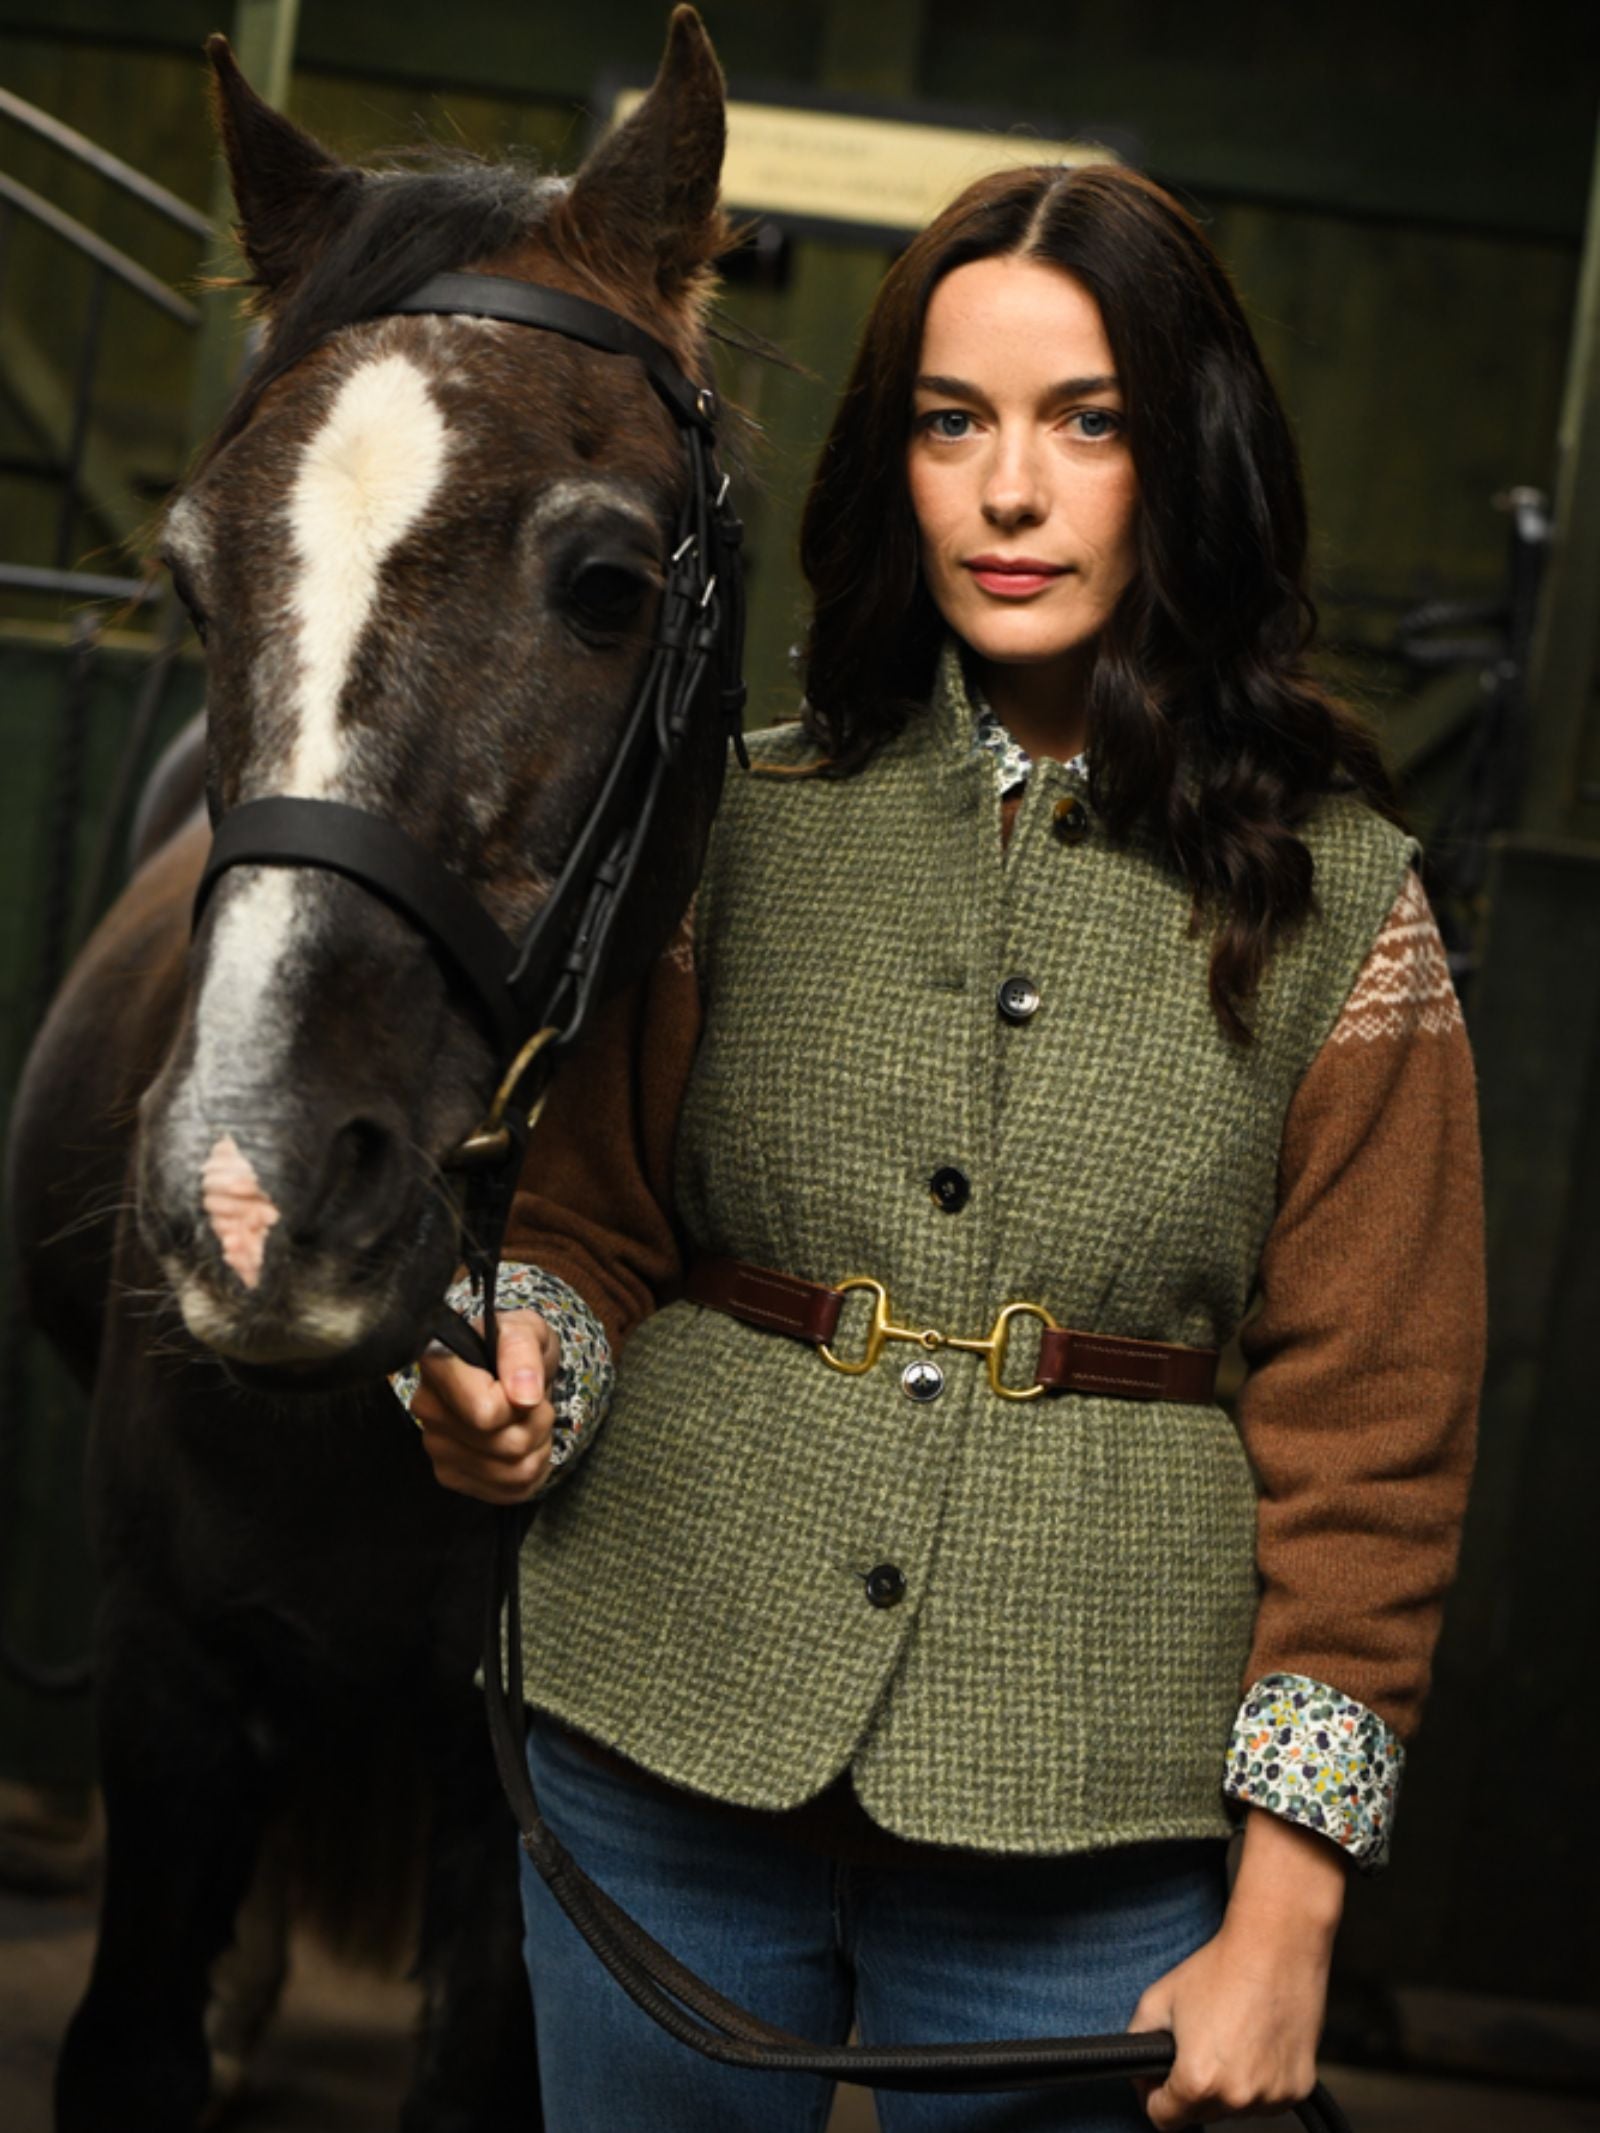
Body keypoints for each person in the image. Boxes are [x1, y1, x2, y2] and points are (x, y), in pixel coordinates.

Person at [394, 160, 1484, 2131]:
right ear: (888, 460)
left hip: (1091, 1808)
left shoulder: (1347, 906)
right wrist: (519, 1369)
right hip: (653, 1732)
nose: (1007, 490)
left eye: (1087, 423)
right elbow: (589, 1223)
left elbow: (1378, 1445)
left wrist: (1286, 1913)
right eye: (948, 420)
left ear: (1188, 456)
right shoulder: (737, 817)